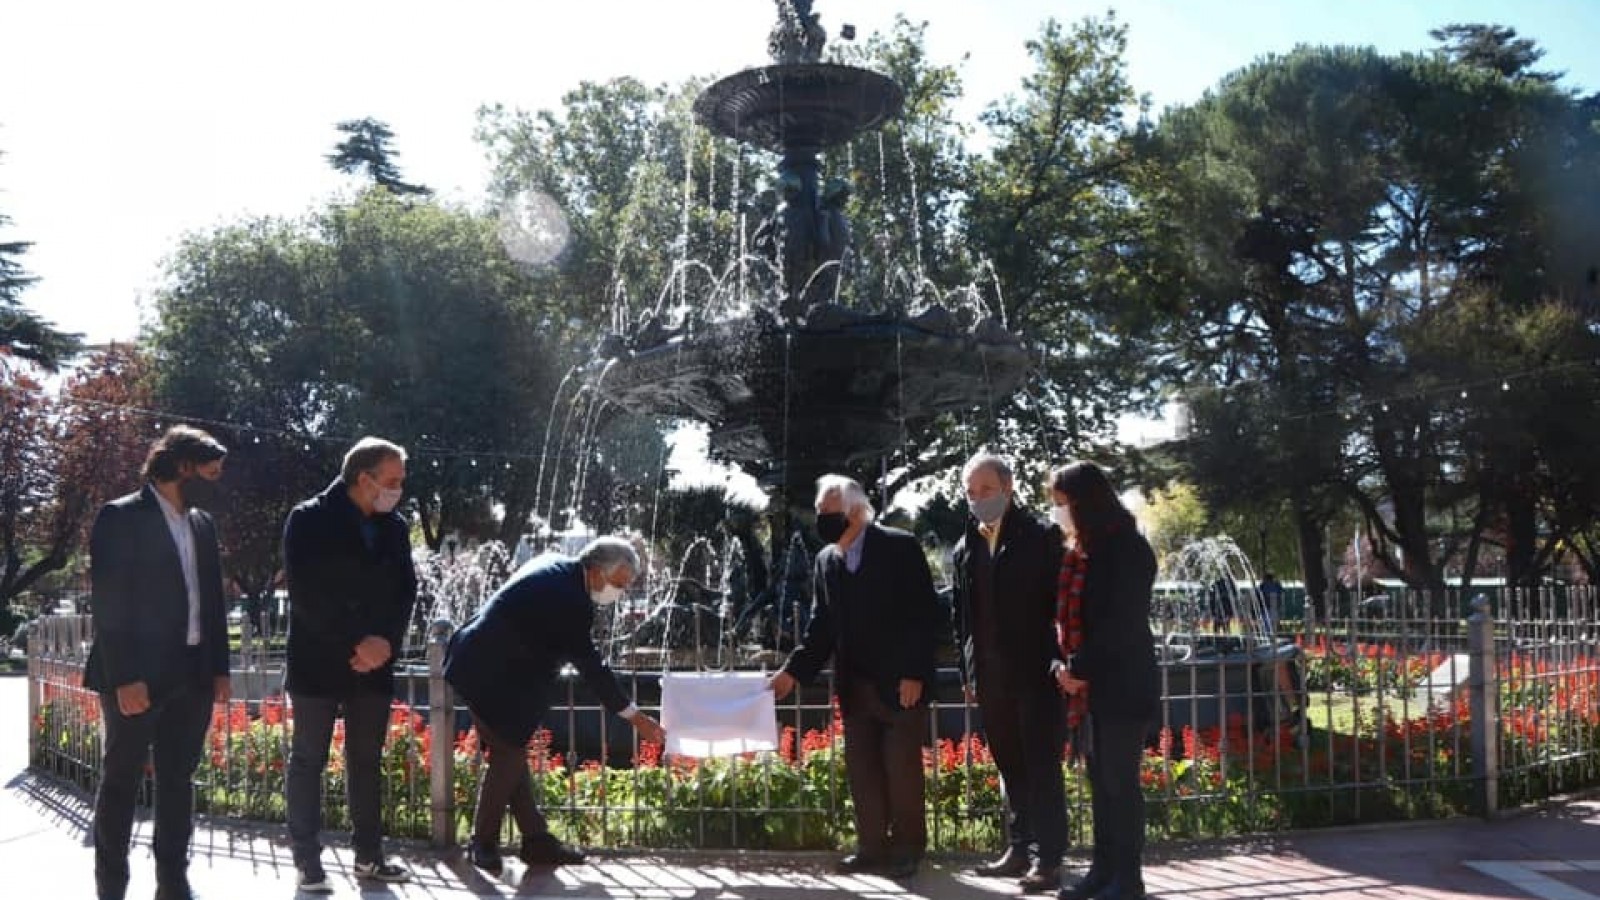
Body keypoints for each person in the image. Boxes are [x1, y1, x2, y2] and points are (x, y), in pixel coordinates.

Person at [445, 536, 666, 874]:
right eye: (618, 584)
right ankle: (483, 842)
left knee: (511, 753)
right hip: (484, 673)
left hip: (480, 663)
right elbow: (591, 667)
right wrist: (635, 718)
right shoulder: (570, 599)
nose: (618, 594)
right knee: (509, 756)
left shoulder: (556, 566)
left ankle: (536, 841)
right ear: (594, 571)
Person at [85, 426, 232, 900]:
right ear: (181, 467)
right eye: (211, 471)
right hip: (137, 676)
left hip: (193, 673)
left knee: (178, 779)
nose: (216, 481)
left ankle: (173, 881)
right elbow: (109, 604)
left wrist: (219, 669)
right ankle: (111, 886)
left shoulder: (203, 525)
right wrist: (125, 677)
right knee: (121, 781)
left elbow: (212, 602)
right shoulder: (121, 517)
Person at [769, 475, 941, 879]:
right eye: (820, 513)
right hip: (854, 686)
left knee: (901, 770)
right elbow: (821, 626)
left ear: (855, 511)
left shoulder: (899, 546)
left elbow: (922, 614)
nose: (822, 519)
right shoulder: (826, 559)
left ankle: (908, 848)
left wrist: (915, 671)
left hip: (900, 683)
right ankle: (871, 848)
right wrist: (793, 672)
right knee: (862, 770)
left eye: (830, 512)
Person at [282, 437, 418, 892]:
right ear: (365, 479)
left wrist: (385, 643)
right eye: (393, 481)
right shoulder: (308, 518)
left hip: (374, 664)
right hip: (319, 660)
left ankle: (369, 857)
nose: (398, 489)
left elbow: (405, 592)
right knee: (308, 759)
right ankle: (307, 861)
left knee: (365, 761)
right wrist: (355, 642)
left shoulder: (394, 527)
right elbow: (306, 595)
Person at [951, 451, 1068, 894]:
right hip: (990, 679)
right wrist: (969, 671)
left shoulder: (1040, 536)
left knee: (1042, 769)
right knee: (1011, 769)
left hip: (1036, 675)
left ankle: (1049, 860)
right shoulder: (966, 545)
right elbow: (962, 616)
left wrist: (1061, 660)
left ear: (1008, 488)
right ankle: (1019, 848)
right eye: (971, 492)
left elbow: (1060, 606)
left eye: (986, 490)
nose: (977, 499)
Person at [1049, 461, 1158, 900]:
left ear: (1084, 501)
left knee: (1120, 785)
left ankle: (1127, 879)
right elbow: (1064, 620)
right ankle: (1103, 870)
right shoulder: (1082, 552)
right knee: (1101, 784)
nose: (1057, 512)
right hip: (1092, 687)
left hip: (1122, 685)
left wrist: (1078, 666)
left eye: (1062, 503)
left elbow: (1121, 624)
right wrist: (1063, 666)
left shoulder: (1127, 549)